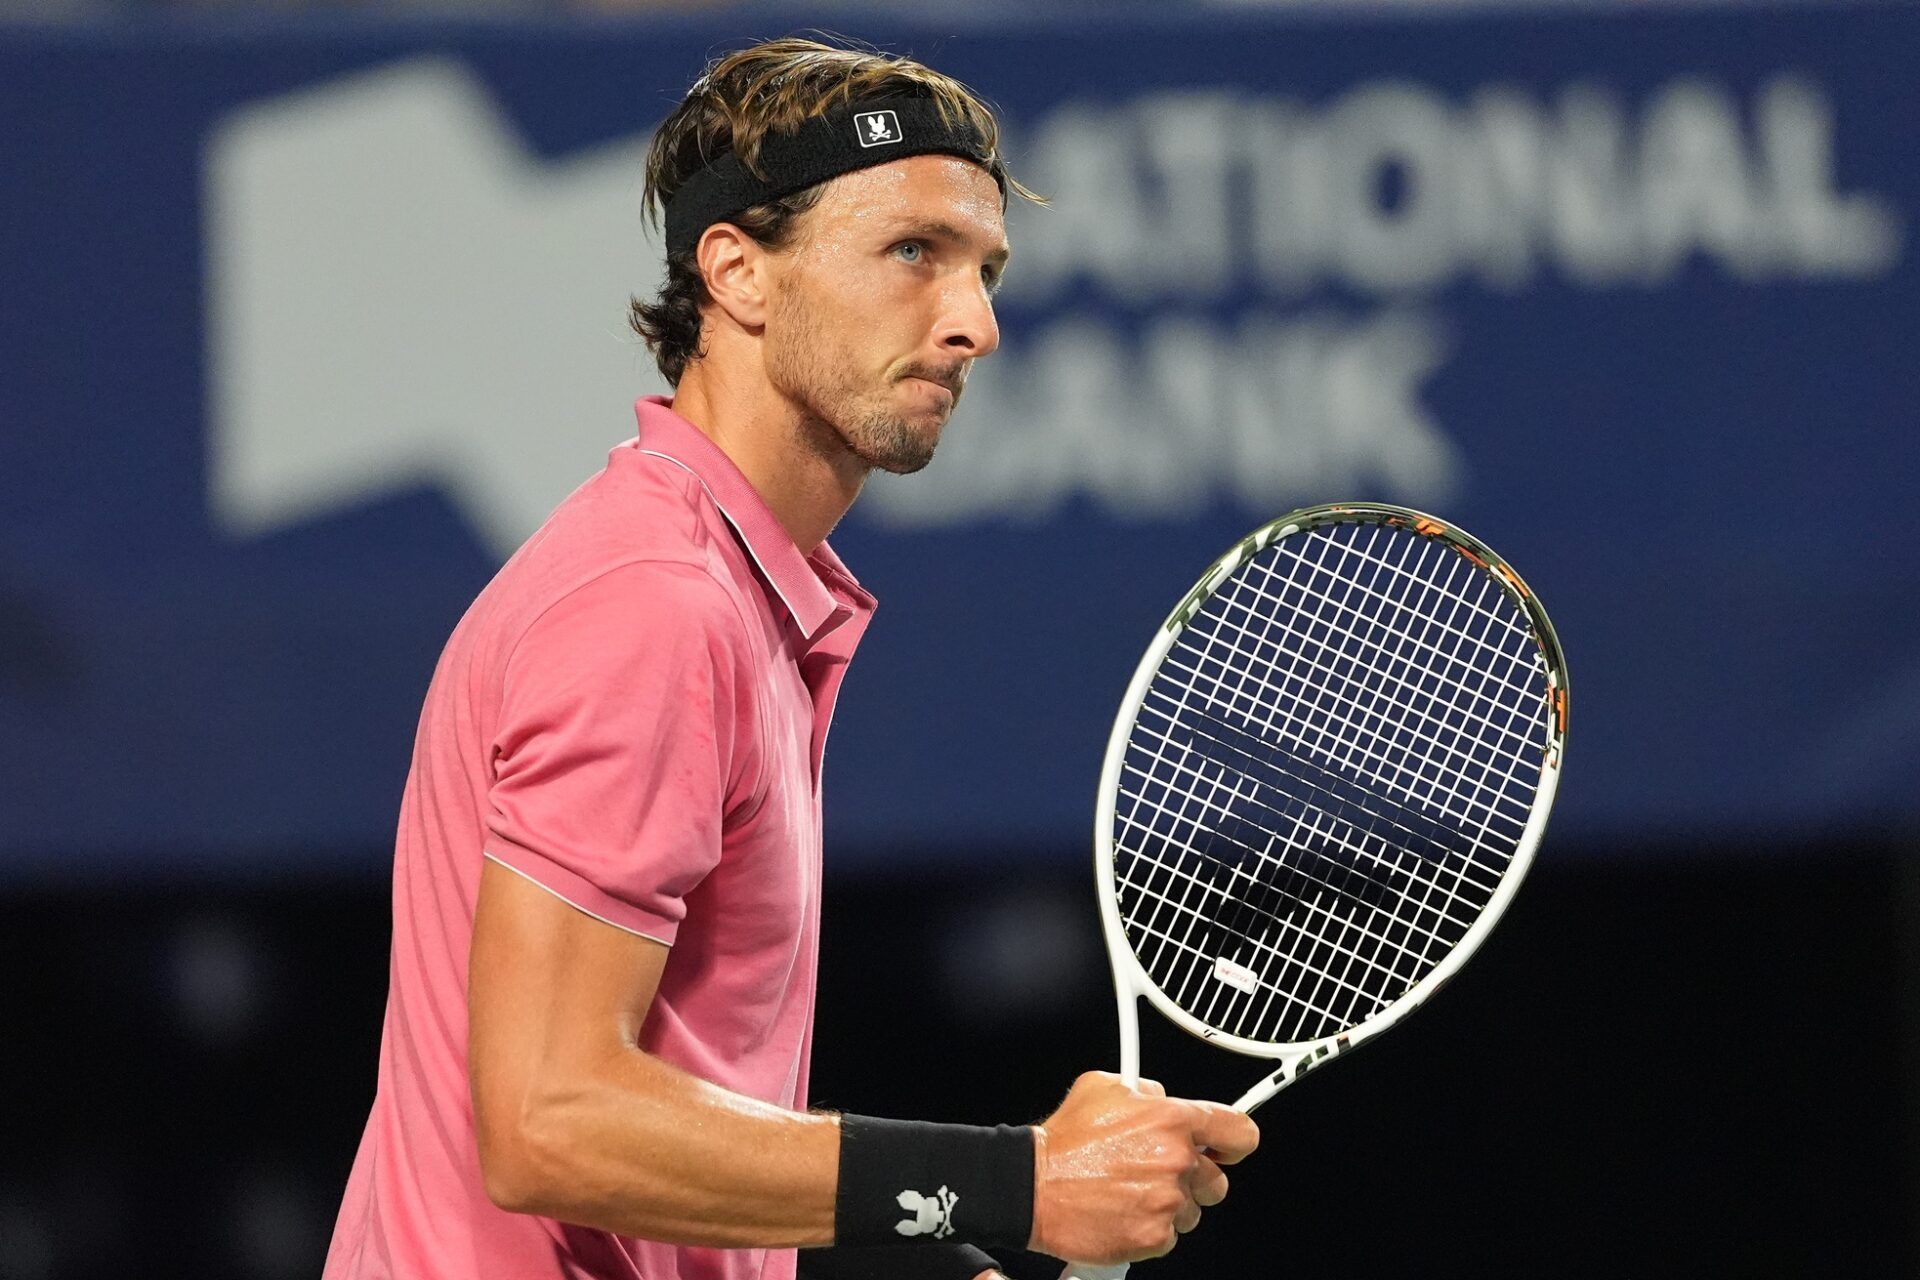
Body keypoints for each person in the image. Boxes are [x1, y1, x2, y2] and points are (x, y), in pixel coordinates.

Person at [323, 35, 1258, 1280]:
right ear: (739, 274)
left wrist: (911, 1254)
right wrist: (1017, 1181)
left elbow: (675, 1105)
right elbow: (548, 1120)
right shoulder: (655, 610)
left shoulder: (723, 589)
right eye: (911, 253)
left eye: (985, 269)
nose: (973, 322)